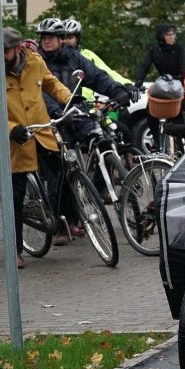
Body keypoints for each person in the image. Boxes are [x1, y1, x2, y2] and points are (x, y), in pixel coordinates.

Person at [37, 17, 132, 244]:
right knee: (60, 170)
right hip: (50, 119)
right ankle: (62, 223)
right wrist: (55, 111)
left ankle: (99, 186)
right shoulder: (37, 61)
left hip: (75, 113)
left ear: (61, 40)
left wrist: (118, 91)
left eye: (50, 37)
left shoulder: (74, 57)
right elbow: (39, 92)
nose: (46, 41)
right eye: (43, 37)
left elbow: (98, 76)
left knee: (103, 138)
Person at [0, 28, 73, 269]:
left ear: (18, 49)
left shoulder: (35, 62)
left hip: (42, 133)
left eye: (5, 51)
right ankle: (16, 250)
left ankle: (59, 219)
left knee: (65, 172)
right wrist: (9, 127)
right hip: (17, 142)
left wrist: (69, 100)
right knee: (14, 198)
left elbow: (52, 84)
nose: (2, 55)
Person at [134, 23, 185, 144]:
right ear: (161, 36)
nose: (172, 37)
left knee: (180, 114)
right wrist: (138, 83)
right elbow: (144, 67)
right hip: (163, 83)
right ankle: (157, 141)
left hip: (178, 83)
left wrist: (181, 83)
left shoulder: (179, 48)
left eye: (173, 34)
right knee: (151, 111)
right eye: (168, 35)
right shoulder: (154, 49)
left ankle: (182, 143)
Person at [60, 18, 140, 103]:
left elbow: (107, 74)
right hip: (63, 106)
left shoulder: (88, 55)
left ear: (78, 39)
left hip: (87, 106)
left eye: (70, 37)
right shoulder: (53, 59)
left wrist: (127, 84)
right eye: (63, 38)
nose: (66, 41)